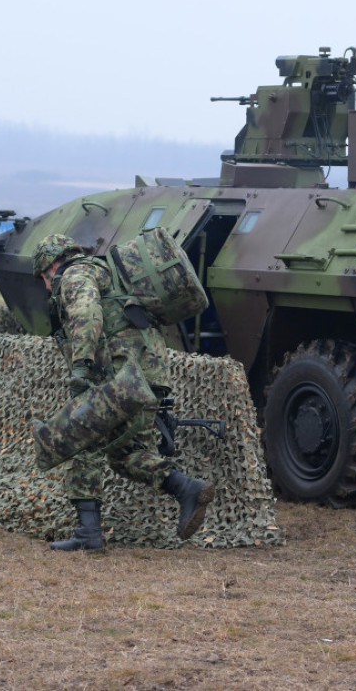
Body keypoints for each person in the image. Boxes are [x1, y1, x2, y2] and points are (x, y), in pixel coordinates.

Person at [29, 233, 215, 551]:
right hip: (146, 373)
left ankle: (88, 536)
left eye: (44, 280)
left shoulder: (76, 273)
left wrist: (82, 367)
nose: (47, 287)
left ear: (51, 265)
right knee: (127, 455)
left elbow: (86, 315)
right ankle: (187, 489)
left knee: (81, 440)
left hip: (116, 376)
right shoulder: (109, 274)